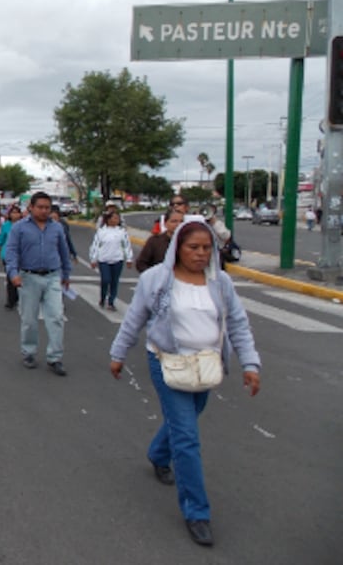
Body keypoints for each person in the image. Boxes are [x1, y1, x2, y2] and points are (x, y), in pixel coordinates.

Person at [109, 220, 261, 547]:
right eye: (193, 247)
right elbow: (134, 318)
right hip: (167, 362)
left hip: (206, 365)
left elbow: (237, 323)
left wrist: (250, 363)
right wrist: (118, 353)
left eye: (207, 248)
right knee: (188, 437)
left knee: (186, 422)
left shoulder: (221, 283)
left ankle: (158, 454)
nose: (201, 253)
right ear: (178, 247)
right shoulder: (156, 280)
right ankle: (197, 512)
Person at [4, 192, 73, 374]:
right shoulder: (19, 228)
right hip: (28, 277)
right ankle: (29, 352)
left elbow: (63, 251)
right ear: (31, 208)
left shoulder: (57, 228)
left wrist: (66, 274)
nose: (44, 211)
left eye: (47, 208)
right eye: (40, 207)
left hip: (52, 277)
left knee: (56, 317)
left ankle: (55, 357)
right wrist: (13, 273)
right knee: (29, 319)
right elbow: (11, 252)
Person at [89, 210, 133, 311]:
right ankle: (103, 297)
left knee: (114, 282)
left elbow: (126, 245)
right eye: (114, 218)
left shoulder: (121, 232)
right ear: (108, 219)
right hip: (104, 260)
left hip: (117, 260)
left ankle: (111, 302)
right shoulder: (101, 232)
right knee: (105, 280)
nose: (116, 220)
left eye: (117, 218)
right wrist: (93, 259)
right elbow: (95, 246)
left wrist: (129, 258)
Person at [0, 204, 23, 309]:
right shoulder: (6, 225)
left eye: (17, 212)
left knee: (21, 277)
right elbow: (0, 240)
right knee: (10, 277)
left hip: (21, 255)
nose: (15, 215)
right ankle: (11, 300)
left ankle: (17, 296)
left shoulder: (24, 225)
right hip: (7, 255)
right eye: (13, 212)